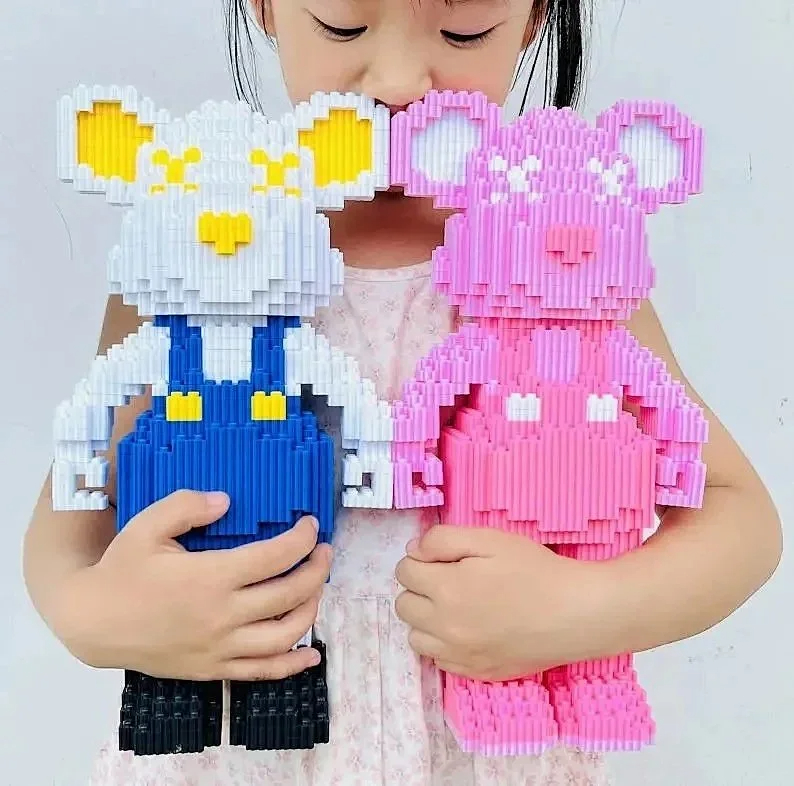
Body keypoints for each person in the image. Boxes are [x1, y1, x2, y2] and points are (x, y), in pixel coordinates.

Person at [23, 1, 782, 784]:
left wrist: (585, 610)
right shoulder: (187, 248)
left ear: (532, 17)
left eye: (463, 33)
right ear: (267, 7)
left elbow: (739, 518)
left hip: (485, 745)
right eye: (342, 25)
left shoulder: (565, 260)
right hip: (236, 743)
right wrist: (98, 618)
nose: (397, 81)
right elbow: (71, 517)